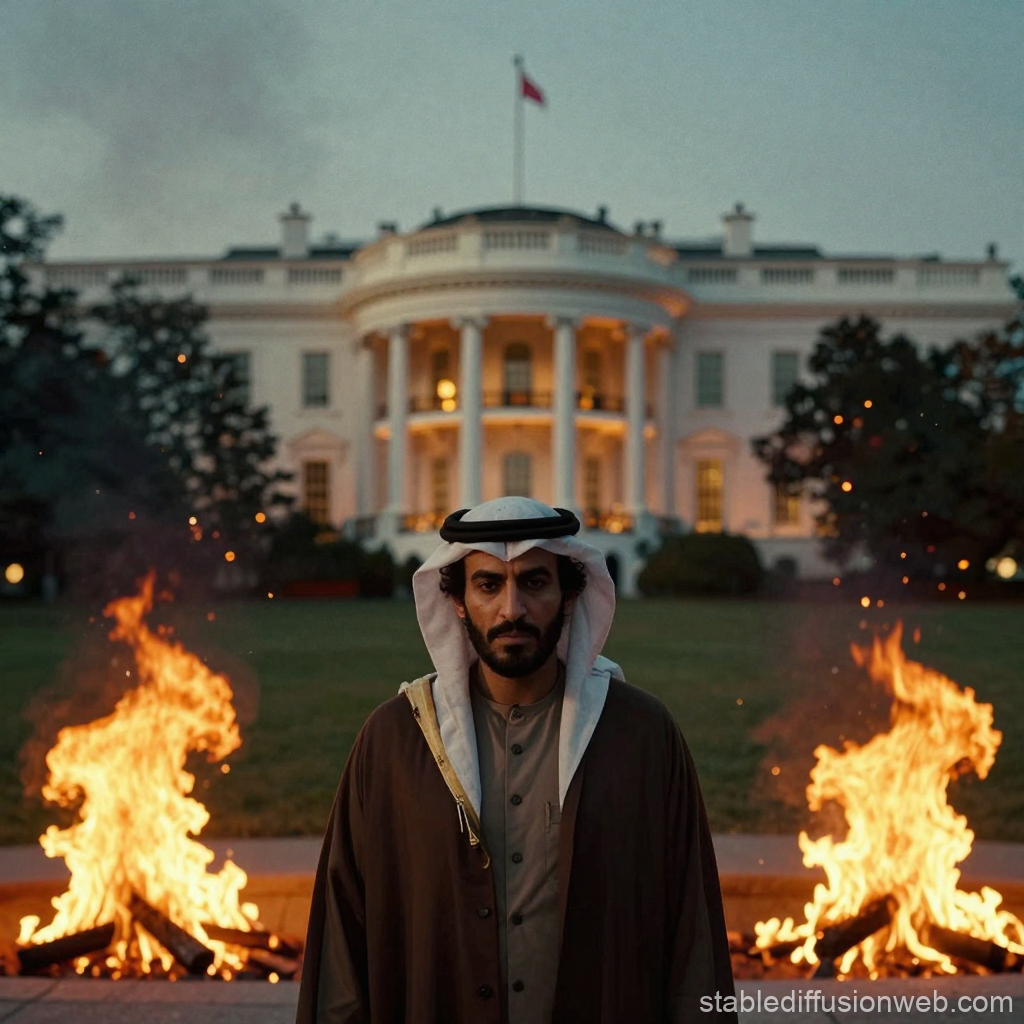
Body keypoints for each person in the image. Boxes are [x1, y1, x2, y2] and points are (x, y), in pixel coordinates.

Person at [297, 497, 737, 1023]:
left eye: (534, 582)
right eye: (488, 585)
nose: (512, 610)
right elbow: (343, 941)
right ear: (457, 599)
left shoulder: (640, 735)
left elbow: (692, 932)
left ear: (569, 594)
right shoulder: (395, 741)